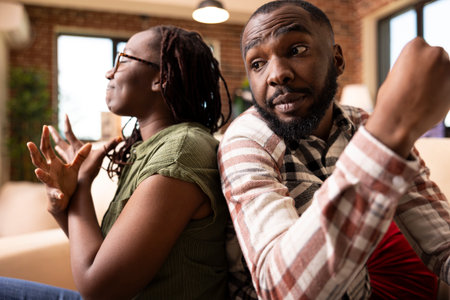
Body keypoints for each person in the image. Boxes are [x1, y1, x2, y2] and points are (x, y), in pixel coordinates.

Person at [218, 0, 450, 299]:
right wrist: (388, 132)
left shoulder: (362, 125)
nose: (276, 75)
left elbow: (441, 244)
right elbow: (281, 291)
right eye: (258, 63)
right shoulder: (245, 138)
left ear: (337, 60)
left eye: (297, 49)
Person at [1, 25, 232, 299]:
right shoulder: (148, 149)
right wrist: (63, 203)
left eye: (123, 59)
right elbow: (98, 258)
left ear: (161, 78)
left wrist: (84, 184)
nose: (109, 72)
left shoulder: (181, 152)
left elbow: (98, 288)